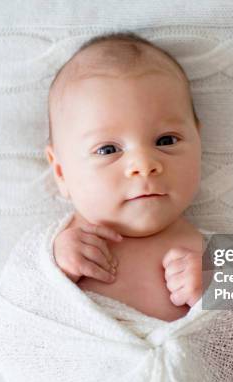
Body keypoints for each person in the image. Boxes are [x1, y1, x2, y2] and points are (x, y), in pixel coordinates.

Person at [45, 31, 205, 322]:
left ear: (199, 142)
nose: (144, 165)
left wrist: (216, 294)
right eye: (107, 149)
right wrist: (52, 270)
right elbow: (9, 321)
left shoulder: (215, 255)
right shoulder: (52, 249)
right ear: (60, 172)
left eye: (166, 141)